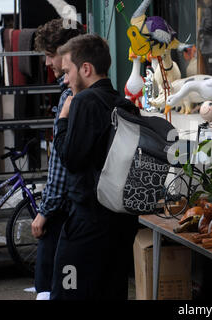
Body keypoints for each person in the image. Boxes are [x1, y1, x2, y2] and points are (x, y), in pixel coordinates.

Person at [50, 34, 138, 300]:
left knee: (68, 291)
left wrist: (63, 120)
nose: (64, 79)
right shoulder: (126, 105)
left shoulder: (83, 102)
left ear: (85, 69)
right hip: (121, 223)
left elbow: (71, 159)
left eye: (67, 71)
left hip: (87, 222)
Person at [31, 18, 85, 301]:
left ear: (66, 54)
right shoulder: (93, 95)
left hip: (63, 212)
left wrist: (45, 211)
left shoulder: (71, 98)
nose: (47, 63)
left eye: (49, 55)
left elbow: (61, 165)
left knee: (50, 286)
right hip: (81, 211)